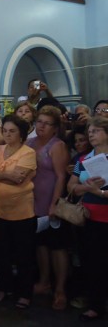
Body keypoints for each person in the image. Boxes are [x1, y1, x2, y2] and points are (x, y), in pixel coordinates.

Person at [0, 114, 37, 309]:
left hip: (22, 213)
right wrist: (6, 175)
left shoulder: (28, 152)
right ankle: (4, 287)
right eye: (4, 131)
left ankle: (24, 293)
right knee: (3, 253)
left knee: (23, 255)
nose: (7, 134)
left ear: (22, 134)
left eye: (12, 131)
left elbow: (20, 180)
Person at [26, 105, 70, 311]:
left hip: (50, 199)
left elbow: (61, 176)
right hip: (32, 202)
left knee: (57, 246)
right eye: (39, 122)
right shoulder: (30, 142)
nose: (41, 126)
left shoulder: (57, 145)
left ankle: (60, 289)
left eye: (47, 123)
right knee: (40, 244)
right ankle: (44, 281)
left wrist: (54, 202)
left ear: (55, 128)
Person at [67, 116, 108, 321]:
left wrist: (100, 193)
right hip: (90, 218)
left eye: (96, 131)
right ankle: (96, 305)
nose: (91, 135)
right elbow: (71, 186)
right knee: (93, 263)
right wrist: (88, 188)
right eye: (90, 131)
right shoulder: (84, 159)